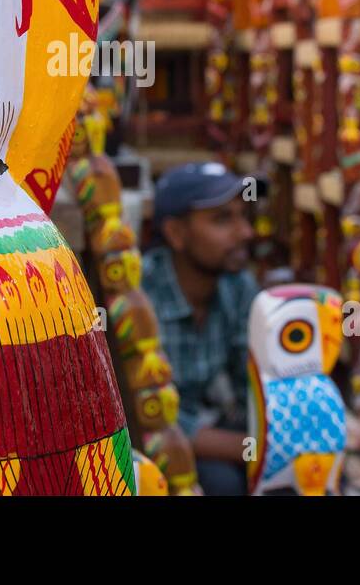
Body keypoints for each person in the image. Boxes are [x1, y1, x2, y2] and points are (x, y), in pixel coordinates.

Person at [142, 161, 257, 495]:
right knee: (223, 483)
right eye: (223, 219)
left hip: (211, 421)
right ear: (176, 234)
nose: (245, 233)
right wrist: (253, 448)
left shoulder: (238, 285)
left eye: (242, 216)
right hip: (150, 438)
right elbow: (148, 417)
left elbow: (251, 381)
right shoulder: (143, 296)